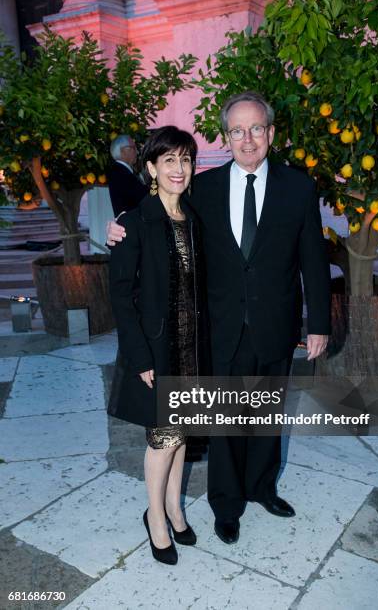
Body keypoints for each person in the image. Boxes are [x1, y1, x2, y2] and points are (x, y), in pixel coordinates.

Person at [107, 91, 331, 545]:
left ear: (270, 133)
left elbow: (313, 260)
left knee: (267, 414)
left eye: (256, 129)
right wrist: (121, 223)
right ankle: (226, 503)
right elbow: (160, 214)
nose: (247, 139)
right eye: (237, 131)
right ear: (225, 137)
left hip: (276, 321)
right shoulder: (203, 189)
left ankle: (262, 488)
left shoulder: (299, 187)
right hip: (219, 326)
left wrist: (319, 323)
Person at [108, 126, 208, 565]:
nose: (178, 168)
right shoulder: (133, 223)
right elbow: (120, 296)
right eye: (168, 160)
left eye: (185, 159)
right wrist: (139, 356)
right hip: (157, 349)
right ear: (150, 167)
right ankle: (154, 518)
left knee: (181, 433)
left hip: (193, 347)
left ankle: (173, 508)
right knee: (163, 438)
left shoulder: (195, 219)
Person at [108, 134, 147, 216]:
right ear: (123, 151)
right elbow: (144, 198)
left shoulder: (121, 171)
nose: (137, 152)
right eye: (134, 148)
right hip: (133, 225)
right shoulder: (121, 173)